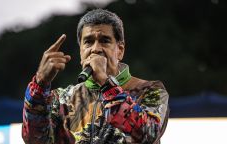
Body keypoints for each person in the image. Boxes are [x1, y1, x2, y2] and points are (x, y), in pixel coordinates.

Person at [22, 9, 169, 144]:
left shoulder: (151, 90)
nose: (96, 48)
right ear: (81, 51)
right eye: (88, 41)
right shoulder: (61, 99)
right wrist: (40, 85)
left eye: (105, 41)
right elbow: (34, 140)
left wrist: (106, 83)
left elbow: (149, 135)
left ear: (120, 50)